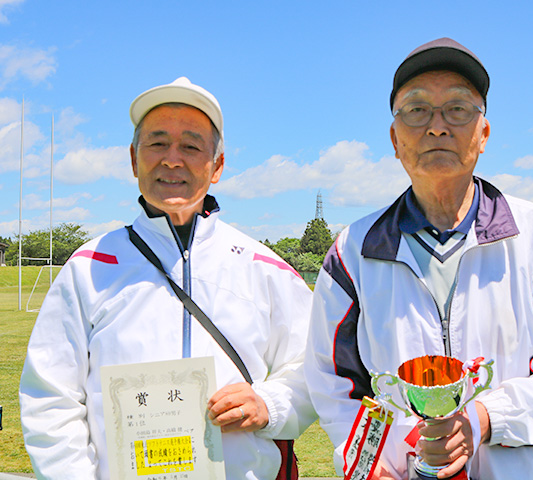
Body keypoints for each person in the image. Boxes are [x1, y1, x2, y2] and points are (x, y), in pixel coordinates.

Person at [304, 38, 533, 480]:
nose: (437, 127)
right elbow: (334, 381)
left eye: (457, 109)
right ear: (395, 139)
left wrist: (487, 418)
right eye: (416, 110)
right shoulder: (353, 252)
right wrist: (367, 463)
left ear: (484, 133)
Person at [20, 77, 316, 480]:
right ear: (133, 159)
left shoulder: (264, 267)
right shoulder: (88, 266)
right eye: (157, 143)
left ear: (217, 165)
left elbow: (312, 367)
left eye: (192, 146)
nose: (172, 160)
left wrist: (271, 403)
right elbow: (51, 398)